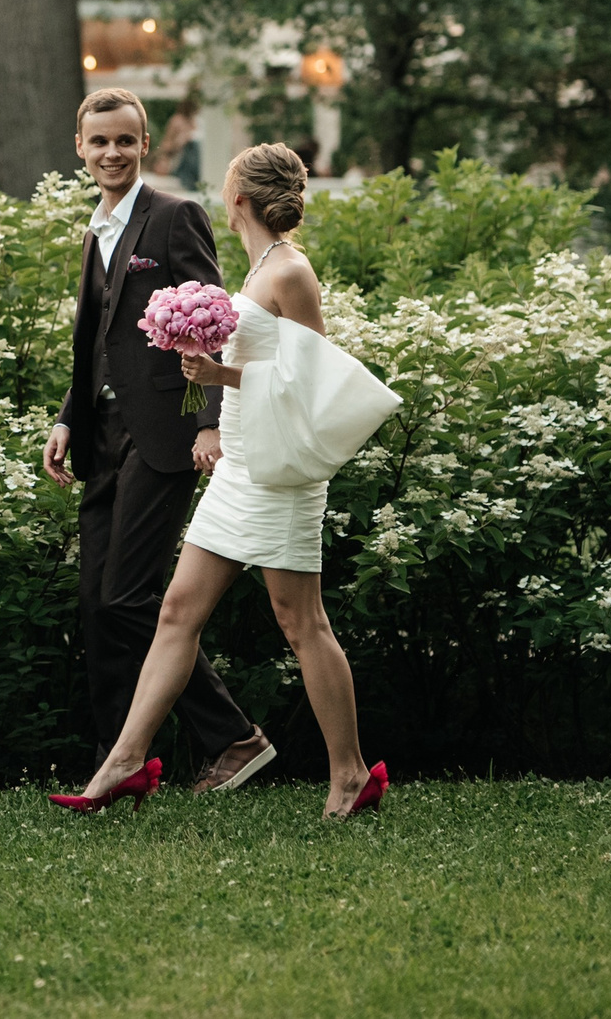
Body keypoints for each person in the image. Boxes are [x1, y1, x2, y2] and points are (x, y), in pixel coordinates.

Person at [60, 143, 386, 821]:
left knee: (302, 622)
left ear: (238, 199)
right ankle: (122, 764)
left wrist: (221, 375)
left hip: (281, 474)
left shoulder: (290, 271)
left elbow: (314, 382)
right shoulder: (260, 264)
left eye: (226, 183)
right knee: (176, 611)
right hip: (239, 468)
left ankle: (351, 775)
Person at [40, 89, 270, 803]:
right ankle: (122, 766)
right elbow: (95, 340)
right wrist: (68, 416)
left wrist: (208, 422)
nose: (112, 153)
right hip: (101, 435)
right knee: (97, 605)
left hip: (166, 434)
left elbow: (213, 321)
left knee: (131, 597)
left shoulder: (174, 217)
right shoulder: (94, 231)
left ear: (145, 146)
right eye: (99, 141)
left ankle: (235, 737)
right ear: (79, 147)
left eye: (125, 141)